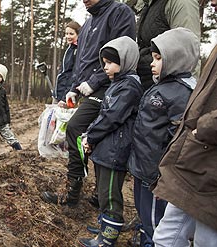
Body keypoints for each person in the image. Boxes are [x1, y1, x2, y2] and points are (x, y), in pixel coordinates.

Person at [41, 0, 136, 207]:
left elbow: (121, 54)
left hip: (111, 86)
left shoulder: (120, 13)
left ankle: (79, 193)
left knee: (78, 129)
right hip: (88, 88)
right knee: (86, 134)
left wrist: (93, 82)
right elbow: (82, 61)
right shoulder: (88, 22)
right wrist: (74, 89)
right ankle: (87, 191)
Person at [152, 1, 217, 246]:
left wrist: (206, 127)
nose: (211, 2)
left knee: (205, 240)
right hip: (195, 159)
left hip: (206, 158)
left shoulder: (176, 92)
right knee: (168, 234)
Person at [128, 27, 200, 247]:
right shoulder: (163, 86)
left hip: (156, 175)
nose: (152, 62)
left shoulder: (181, 93)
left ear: (176, 58)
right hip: (143, 168)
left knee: (155, 223)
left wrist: (165, 176)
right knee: (143, 214)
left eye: (158, 58)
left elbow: (177, 139)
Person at [77, 36, 144, 247]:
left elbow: (111, 117)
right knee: (103, 191)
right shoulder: (118, 83)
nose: (105, 68)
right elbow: (102, 115)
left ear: (125, 60)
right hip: (106, 148)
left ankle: (108, 237)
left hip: (115, 151)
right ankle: (104, 224)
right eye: (104, 63)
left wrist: (91, 136)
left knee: (110, 195)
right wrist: (90, 136)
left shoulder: (129, 87)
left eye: (109, 63)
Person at [136, 0, 200, 90]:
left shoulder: (181, 2)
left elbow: (188, 53)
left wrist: (189, 94)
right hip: (150, 88)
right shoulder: (148, 4)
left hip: (170, 95)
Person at [53, 21, 81, 107]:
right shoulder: (70, 49)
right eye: (66, 34)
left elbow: (73, 76)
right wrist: (55, 93)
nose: (68, 36)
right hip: (59, 93)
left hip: (67, 96)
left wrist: (64, 97)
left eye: (71, 34)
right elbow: (63, 73)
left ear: (78, 34)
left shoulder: (78, 51)